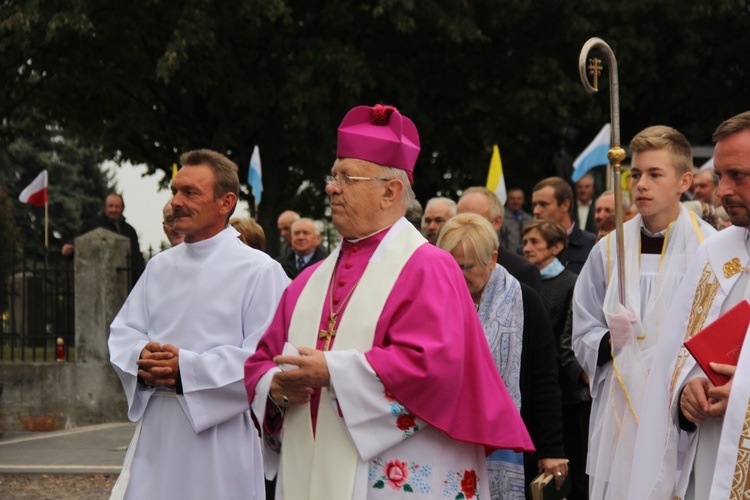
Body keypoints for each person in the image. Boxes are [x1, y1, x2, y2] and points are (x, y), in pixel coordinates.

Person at [244, 104, 533, 500]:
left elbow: (437, 366)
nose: (331, 187)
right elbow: (261, 360)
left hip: (395, 473)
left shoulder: (430, 267)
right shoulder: (308, 281)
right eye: (333, 176)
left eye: (347, 177)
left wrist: (332, 370)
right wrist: (275, 387)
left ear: (390, 190)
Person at [108, 149, 289, 500]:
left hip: (220, 438)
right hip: (158, 431)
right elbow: (123, 333)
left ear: (226, 202)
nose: (175, 201)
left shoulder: (259, 271)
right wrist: (143, 359)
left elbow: (266, 358)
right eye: (175, 191)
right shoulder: (159, 266)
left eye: (189, 192)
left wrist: (185, 370)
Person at [572, 125, 716, 499]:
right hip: (622, 406)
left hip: (682, 405)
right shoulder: (608, 251)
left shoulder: (709, 249)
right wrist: (607, 341)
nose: (641, 185)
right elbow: (583, 325)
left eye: (655, 174)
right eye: (635, 174)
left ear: (684, 180)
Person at [628, 110, 750, 499]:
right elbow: (677, 359)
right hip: (710, 463)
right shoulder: (716, 254)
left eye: (738, 176)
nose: (722, 192)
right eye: (720, 177)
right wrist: (686, 394)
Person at [437, 213, 566, 500]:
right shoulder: (434, 299)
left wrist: (552, 449)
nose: (458, 274)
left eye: (468, 267)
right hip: (448, 441)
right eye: (450, 265)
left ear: (492, 259)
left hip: (511, 444)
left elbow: (544, 379)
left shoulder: (525, 301)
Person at [521, 220, 589, 500]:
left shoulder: (571, 283)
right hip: (535, 395)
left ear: (558, 246)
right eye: (524, 242)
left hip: (565, 398)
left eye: (535, 242)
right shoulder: (520, 282)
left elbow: (569, 339)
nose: (527, 248)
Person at [458, 187, 542, 292]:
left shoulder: (524, 272)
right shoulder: (445, 266)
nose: (463, 226)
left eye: (474, 220)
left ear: (497, 222)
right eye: (458, 219)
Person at [62, 192, 146, 283]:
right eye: (110, 206)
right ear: (104, 208)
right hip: (98, 281)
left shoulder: (130, 230)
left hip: (125, 282)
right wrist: (70, 251)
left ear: (122, 208)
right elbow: (81, 248)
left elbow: (136, 257)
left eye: (117, 206)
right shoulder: (92, 225)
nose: (114, 209)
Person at [532, 177, 596, 274]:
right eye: (535, 205)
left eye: (543, 204)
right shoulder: (527, 249)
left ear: (565, 205)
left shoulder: (592, 245)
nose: (536, 211)